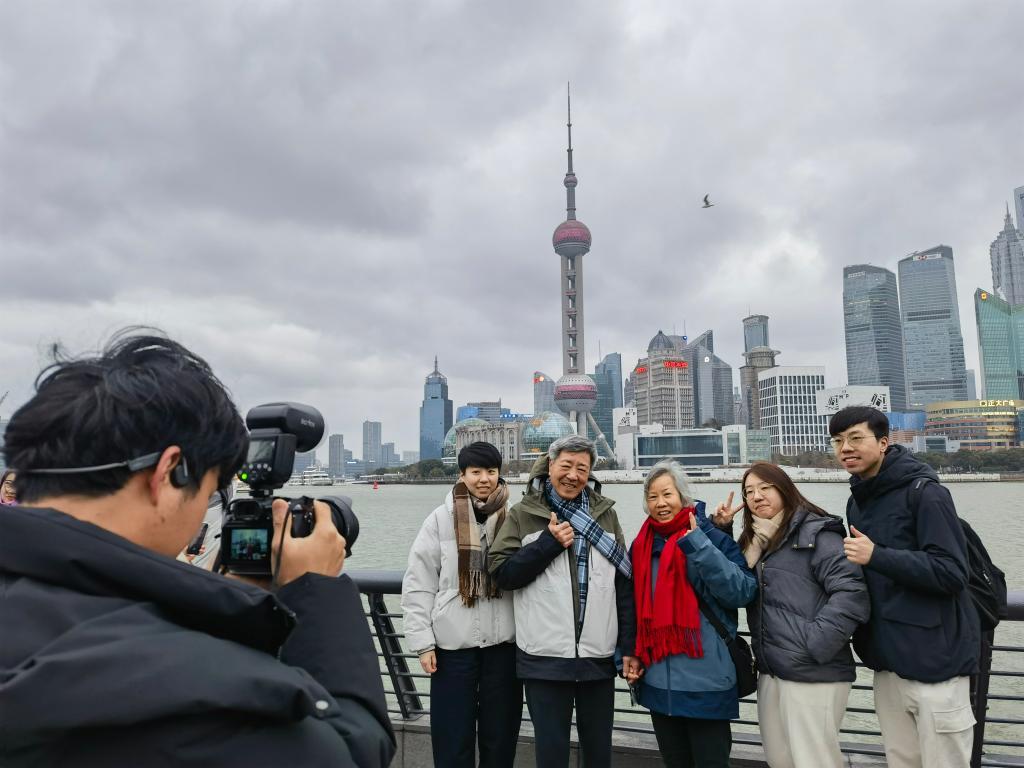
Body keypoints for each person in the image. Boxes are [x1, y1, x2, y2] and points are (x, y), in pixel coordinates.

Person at [0, 331, 395, 767]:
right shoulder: (202, 693)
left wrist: (229, 602)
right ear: (170, 472)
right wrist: (317, 590)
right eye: (210, 491)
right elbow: (347, 755)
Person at [829, 405, 979, 768]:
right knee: (901, 761)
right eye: (837, 441)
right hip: (888, 664)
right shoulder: (857, 501)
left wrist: (877, 555)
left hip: (936, 664)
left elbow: (951, 572)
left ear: (883, 443)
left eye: (856, 438)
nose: (845, 448)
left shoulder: (926, 493)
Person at [488, 435, 634, 768]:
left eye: (582, 468)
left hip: (598, 657)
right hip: (544, 659)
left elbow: (623, 583)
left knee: (599, 753)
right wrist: (548, 544)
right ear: (550, 465)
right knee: (551, 754)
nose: (573, 475)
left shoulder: (606, 515)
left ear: (590, 472)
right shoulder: (523, 513)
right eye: (566, 465)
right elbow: (501, 574)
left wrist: (628, 646)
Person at [715, 462, 869, 768]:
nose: (756, 496)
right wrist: (722, 530)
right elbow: (730, 580)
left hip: (813, 672)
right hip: (771, 670)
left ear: (785, 489)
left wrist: (814, 646)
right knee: (780, 759)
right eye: (749, 491)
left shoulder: (818, 533)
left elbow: (852, 593)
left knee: (815, 761)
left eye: (765, 488)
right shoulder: (756, 543)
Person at [622, 460, 757, 768]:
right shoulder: (642, 546)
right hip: (659, 685)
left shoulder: (713, 537)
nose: (660, 503)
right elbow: (630, 606)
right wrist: (627, 654)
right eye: (652, 496)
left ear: (683, 496)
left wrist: (699, 545)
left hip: (707, 684)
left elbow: (741, 592)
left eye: (667, 494)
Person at [401, 441, 521, 767]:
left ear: (500, 474)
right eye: (476, 471)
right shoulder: (440, 519)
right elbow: (419, 584)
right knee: (452, 741)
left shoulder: (514, 518)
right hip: (452, 649)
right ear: (462, 475)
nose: (484, 479)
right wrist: (423, 644)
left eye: (491, 471)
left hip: (503, 648)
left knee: (501, 741)